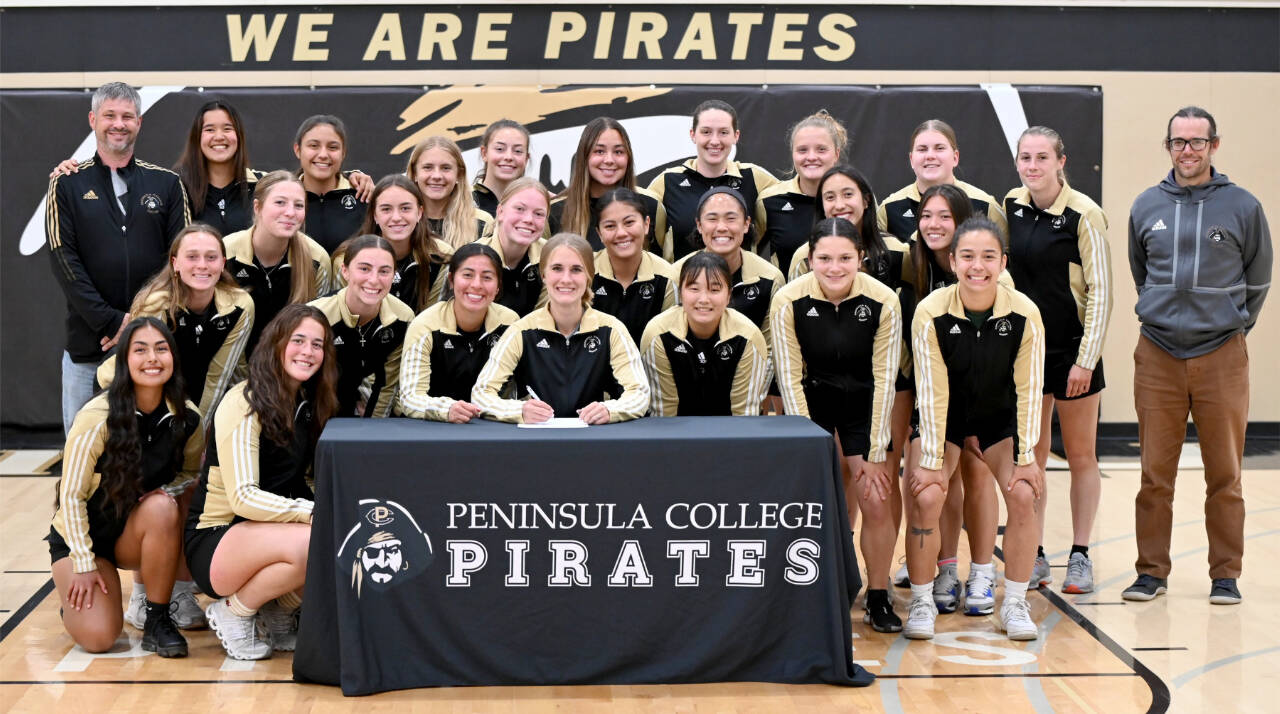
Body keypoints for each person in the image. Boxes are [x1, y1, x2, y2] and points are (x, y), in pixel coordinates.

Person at [1123, 106, 1272, 605]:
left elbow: (1258, 279)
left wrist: (1229, 325)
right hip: (1158, 354)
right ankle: (1151, 572)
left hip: (1222, 356)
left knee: (1225, 476)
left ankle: (1225, 575)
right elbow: (1140, 272)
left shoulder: (1243, 207)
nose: (1188, 150)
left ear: (1214, 145)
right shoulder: (1146, 205)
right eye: (1178, 142)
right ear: (1168, 147)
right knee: (1153, 476)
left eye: (1197, 141)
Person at [907, 216, 1045, 641]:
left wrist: (1025, 460)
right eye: (967, 256)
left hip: (998, 420)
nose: (977, 266)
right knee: (927, 495)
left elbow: (1029, 391)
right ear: (952, 261)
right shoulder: (930, 311)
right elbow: (931, 393)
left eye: (988, 257)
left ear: (1003, 262)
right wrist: (931, 461)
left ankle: (1016, 602)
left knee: (1024, 493)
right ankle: (922, 599)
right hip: (943, 420)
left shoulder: (1024, 313)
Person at [771, 218, 903, 632]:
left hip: (864, 400)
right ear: (809, 259)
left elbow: (885, 377)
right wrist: (806, 441)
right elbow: (789, 377)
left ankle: (878, 594)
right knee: (812, 500)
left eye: (845, 258)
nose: (834, 267)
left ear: (860, 258)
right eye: (824, 258)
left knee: (876, 497)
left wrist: (878, 449)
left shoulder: (884, 301)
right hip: (812, 399)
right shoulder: (788, 300)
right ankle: (813, 590)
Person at [186, 304, 338, 660]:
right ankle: (233, 611)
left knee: (337, 531)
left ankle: (278, 612)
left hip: (266, 532)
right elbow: (242, 498)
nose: (308, 351)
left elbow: (306, 480)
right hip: (219, 536)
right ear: (276, 343)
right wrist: (313, 512)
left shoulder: (307, 401)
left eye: (318, 344)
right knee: (316, 535)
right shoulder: (244, 400)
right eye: (298, 340)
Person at [49, 318, 203, 658]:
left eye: (161, 349)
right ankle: (74, 606)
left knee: (164, 506)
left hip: (132, 533)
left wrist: (164, 494)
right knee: (101, 639)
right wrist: (84, 562)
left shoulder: (187, 417)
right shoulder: (96, 416)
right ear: (124, 361)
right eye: (140, 350)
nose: (152, 358)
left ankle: (158, 620)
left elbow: (191, 472)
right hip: (85, 542)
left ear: (173, 358)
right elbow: (70, 496)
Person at [1004, 126, 1113, 594]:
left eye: (1041, 157)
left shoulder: (1084, 215)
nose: (1033, 166)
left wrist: (1085, 360)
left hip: (1072, 354)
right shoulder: (1011, 203)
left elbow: (1102, 293)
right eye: (1025, 158)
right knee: (1033, 455)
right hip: (1027, 353)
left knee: (1082, 454)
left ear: (1060, 161)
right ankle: (1037, 554)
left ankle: (1082, 554)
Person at [46, 81, 190, 434]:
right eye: (109, 115)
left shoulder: (167, 184)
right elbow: (65, 262)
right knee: (85, 454)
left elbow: (181, 262)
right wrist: (111, 322)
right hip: (89, 348)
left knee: (152, 455)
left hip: (156, 345)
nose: (118, 123)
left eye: (128, 116)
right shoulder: (67, 183)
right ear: (93, 119)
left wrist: (139, 322)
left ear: (139, 122)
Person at [900, 184, 1006, 616]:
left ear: (963, 222)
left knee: (977, 475)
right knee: (934, 482)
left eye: (945, 216)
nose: (934, 224)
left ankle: (982, 570)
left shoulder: (990, 274)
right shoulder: (913, 266)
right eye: (927, 215)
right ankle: (945, 566)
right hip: (930, 391)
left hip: (983, 392)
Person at [472, 233, 650, 424]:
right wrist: (519, 410)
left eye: (576, 270)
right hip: (537, 443)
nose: (566, 279)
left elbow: (639, 393)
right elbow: (481, 393)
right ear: (543, 275)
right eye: (557, 268)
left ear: (589, 276)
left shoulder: (612, 329)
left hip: (596, 442)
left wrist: (610, 410)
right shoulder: (521, 331)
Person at [98, 224, 254, 430]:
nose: (202, 265)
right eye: (192, 257)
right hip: (129, 387)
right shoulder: (155, 304)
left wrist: (198, 432)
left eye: (211, 257)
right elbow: (141, 374)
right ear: (175, 263)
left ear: (223, 263)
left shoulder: (241, 305)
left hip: (191, 389)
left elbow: (219, 377)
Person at [399, 243, 519, 422]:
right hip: (433, 426)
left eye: (487, 277)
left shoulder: (510, 323)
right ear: (451, 280)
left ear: (498, 287)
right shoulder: (425, 325)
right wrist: (446, 409)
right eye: (467, 275)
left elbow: (517, 389)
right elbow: (410, 397)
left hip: (491, 424)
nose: (476, 285)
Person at [639, 252, 770, 416]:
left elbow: (744, 415)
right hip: (675, 432)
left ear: (728, 295)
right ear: (680, 293)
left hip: (731, 433)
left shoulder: (748, 337)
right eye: (694, 289)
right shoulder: (658, 333)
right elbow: (663, 412)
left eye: (714, 289)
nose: (704, 299)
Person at [648, 100, 778, 261]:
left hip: (741, 284)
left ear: (735, 136)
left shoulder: (755, 178)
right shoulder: (667, 181)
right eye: (706, 132)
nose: (715, 141)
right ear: (693, 135)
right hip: (684, 284)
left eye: (723, 132)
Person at [223, 171, 332, 354]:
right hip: (233, 371)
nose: (290, 213)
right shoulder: (225, 252)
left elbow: (317, 330)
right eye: (280, 202)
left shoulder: (317, 259)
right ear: (257, 207)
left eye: (298, 205)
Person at [309, 235, 415, 418]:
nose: (374, 280)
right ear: (345, 271)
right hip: (317, 414)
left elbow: (387, 385)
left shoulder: (403, 318)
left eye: (384, 271)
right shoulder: (314, 316)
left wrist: (373, 429)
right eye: (364, 269)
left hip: (366, 418)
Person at [673, 187, 784, 350]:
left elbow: (769, 349)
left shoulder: (770, 278)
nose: (722, 227)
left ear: (746, 224)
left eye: (731, 218)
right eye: (712, 219)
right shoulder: (677, 275)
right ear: (699, 225)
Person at [548, 117, 669, 257]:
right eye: (599, 151)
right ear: (584, 156)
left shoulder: (651, 205)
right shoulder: (555, 211)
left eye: (618, 152)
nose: (609, 160)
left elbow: (665, 265)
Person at [333, 175, 453, 313]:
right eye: (386, 209)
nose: (396, 218)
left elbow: (431, 319)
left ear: (419, 213)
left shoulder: (441, 256)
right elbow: (342, 315)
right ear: (374, 215)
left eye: (405, 208)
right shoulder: (347, 258)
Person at [877, 119, 1007, 245]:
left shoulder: (986, 205)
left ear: (955, 157)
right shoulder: (889, 209)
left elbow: (1004, 259)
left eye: (939, 148)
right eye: (922, 149)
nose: (930, 156)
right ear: (911, 159)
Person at [755, 110, 846, 276]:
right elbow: (748, 256)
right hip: (788, 301)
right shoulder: (770, 201)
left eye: (821, 149)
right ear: (793, 154)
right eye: (802, 150)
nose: (811, 157)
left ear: (836, 154)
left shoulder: (854, 199)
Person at [591, 188, 678, 344]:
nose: (621, 233)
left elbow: (670, 341)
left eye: (629, 222)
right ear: (599, 234)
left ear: (646, 224)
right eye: (610, 226)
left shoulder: (667, 278)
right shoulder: (585, 272)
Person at [474, 177, 552, 316]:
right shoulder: (473, 257)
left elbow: (543, 320)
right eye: (520, 209)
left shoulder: (552, 256)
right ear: (500, 212)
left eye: (539, 214)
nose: (528, 219)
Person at [294, 115, 367, 253]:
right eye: (314, 146)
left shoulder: (362, 195)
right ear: (298, 150)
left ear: (343, 152)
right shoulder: (283, 197)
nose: (323, 154)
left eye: (332, 147)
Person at [406, 136, 492, 248]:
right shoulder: (401, 221)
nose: (436, 176)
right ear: (415, 173)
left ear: (459, 174)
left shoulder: (482, 222)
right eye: (428, 167)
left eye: (446, 168)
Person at [472, 119, 530, 218]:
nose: (508, 157)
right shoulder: (463, 202)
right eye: (500, 149)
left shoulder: (537, 203)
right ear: (484, 153)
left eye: (518, 151)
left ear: (526, 158)